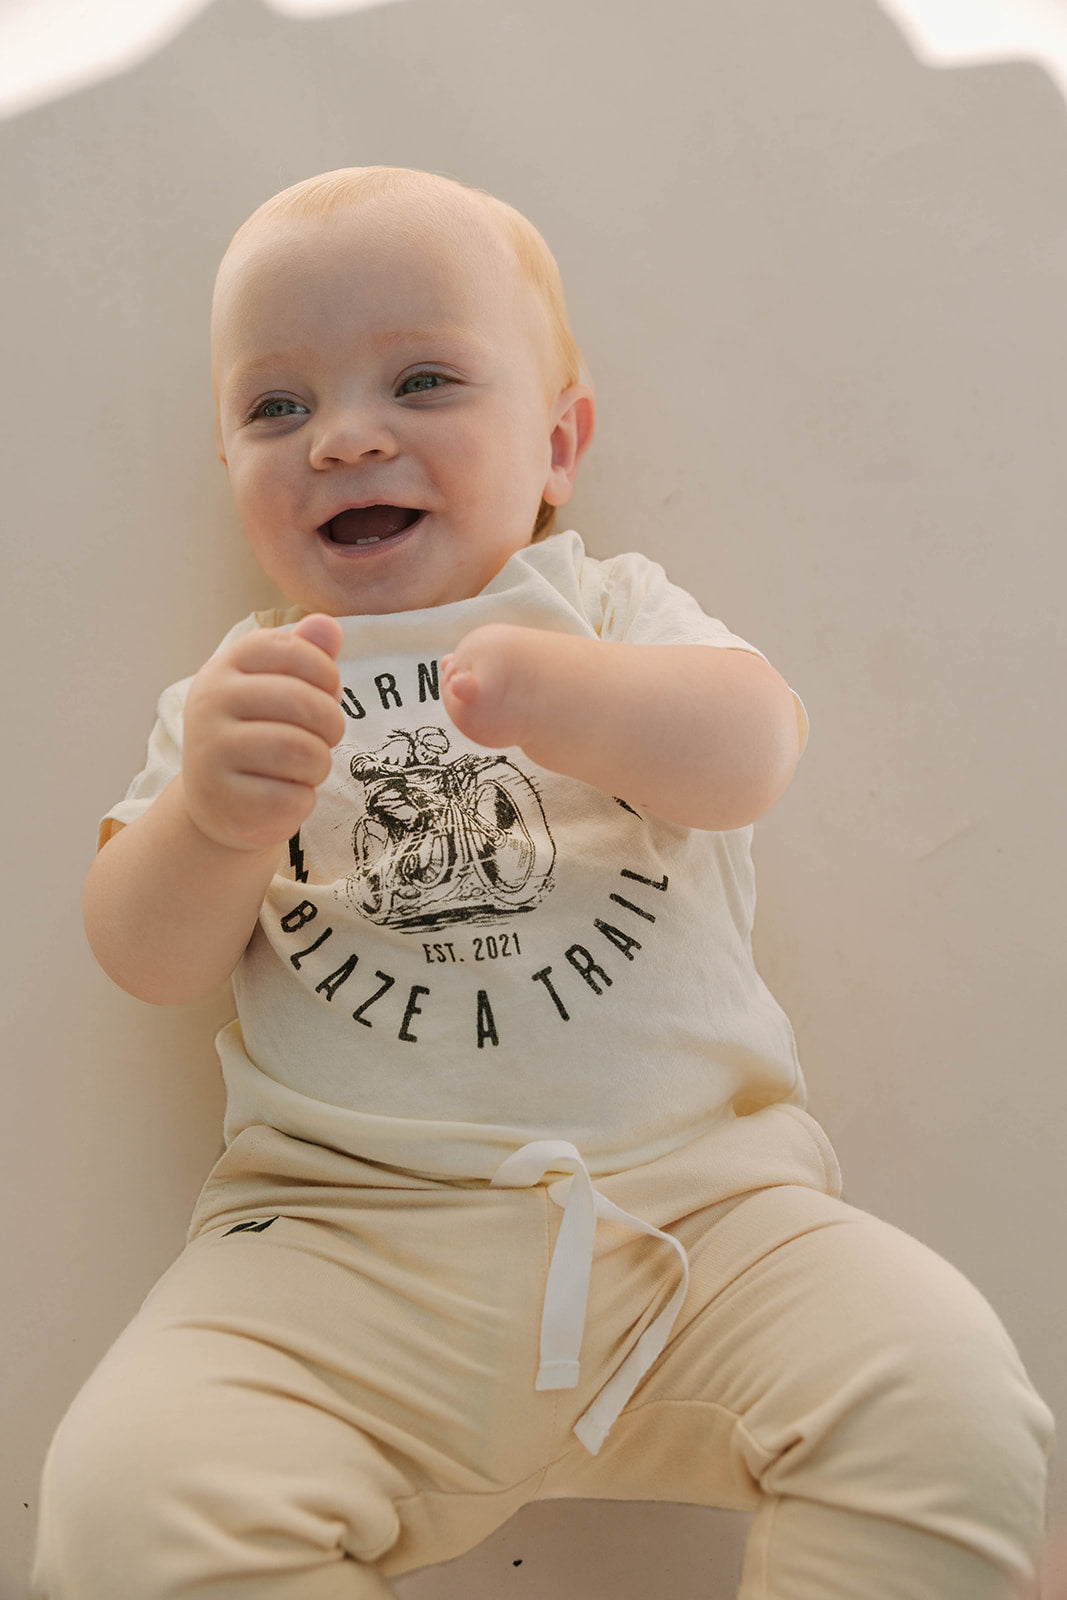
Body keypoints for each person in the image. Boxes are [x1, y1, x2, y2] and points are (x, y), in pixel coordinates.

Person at [31, 166, 1054, 1600]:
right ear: (229, 469)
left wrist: (575, 699)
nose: (344, 438)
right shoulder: (238, 693)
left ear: (559, 442)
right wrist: (208, 816)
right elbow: (145, 953)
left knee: (943, 1392)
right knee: (124, 1496)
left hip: (698, 1220)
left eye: (426, 379)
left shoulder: (610, 610)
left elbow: (754, 750)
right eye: (276, 407)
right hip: (333, 1252)